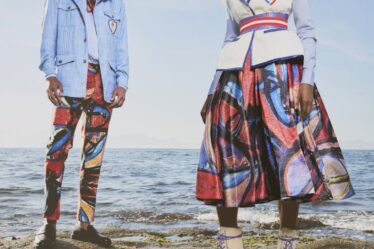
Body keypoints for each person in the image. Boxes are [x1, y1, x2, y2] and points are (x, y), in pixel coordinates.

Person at [196, 0, 355, 248]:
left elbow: (307, 32)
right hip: (234, 76)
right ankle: (229, 242)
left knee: (288, 154)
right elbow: (229, 39)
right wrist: (212, 90)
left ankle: (287, 242)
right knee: (226, 153)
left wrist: (308, 80)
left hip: (281, 72)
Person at [34, 0, 129, 248]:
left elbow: (121, 44)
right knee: (56, 151)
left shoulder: (116, 3)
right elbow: (47, 35)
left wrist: (123, 81)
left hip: (104, 85)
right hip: (68, 82)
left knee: (93, 159)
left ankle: (84, 226)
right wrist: (49, 74)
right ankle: (49, 223)